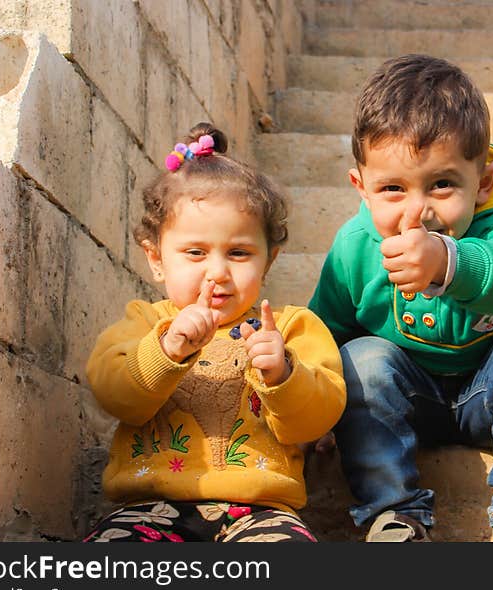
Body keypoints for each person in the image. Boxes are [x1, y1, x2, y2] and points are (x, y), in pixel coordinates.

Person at [307, 54, 493, 542]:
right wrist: (314, 404)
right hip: (408, 397)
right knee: (360, 359)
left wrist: (449, 262)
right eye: (392, 189)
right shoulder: (354, 247)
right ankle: (393, 513)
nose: (417, 211)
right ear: (361, 188)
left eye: (442, 184)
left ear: (484, 182)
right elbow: (326, 328)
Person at [83, 122, 346, 543]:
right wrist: (166, 350)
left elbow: (319, 416)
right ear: (156, 258)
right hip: (148, 509)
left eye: (239, 253)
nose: (218, 272)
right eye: (195, 253)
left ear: (269, 260)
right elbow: (115, 394)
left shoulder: (293, 328)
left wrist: (283, 373)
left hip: (261, 512)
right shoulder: (145, 322)